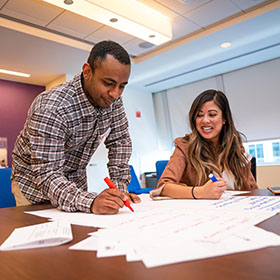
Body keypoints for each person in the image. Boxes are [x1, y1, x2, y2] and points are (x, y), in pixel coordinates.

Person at [11, 40, 140, 214]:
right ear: (87, 72)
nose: (115, 93)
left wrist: (119, 190)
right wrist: (91, 202)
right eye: (108, 83)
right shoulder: (51, 108)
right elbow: (47, 174)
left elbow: (120, 141)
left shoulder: (113, 101)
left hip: (74, 182)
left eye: (122, 86)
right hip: (34, 187)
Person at [151, 89, 258, 200]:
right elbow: (163, 186)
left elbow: (251, 186)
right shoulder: (184, 146)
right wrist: (200, 192)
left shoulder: (235, 146)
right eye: (199, 115)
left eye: (212, 115)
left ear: (224, 119)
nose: (205, 120)